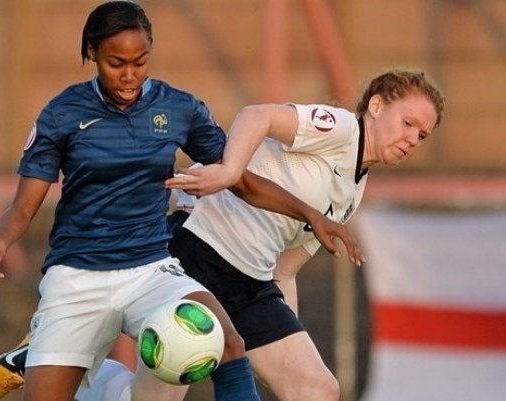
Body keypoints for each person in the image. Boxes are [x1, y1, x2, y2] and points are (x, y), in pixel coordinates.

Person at [0, 2, 363, 401]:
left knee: (226, 341)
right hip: (78, 276)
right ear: (91, 53)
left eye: (140, 62)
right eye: (115, 63)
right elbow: (23, 206)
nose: (129, 76)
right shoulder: (62, 114)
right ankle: (65, 363)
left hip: (149, 269)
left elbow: (241, 180)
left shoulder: (178, 108)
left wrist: (312, 215)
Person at [163, 68, 445, 401]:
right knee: (164, 386)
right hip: (199, 242)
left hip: (248, 278)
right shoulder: (340, 128)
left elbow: (284, 269)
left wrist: (286, 335)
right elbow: (257, 115)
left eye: (422, 135)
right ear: (377, 107)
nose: (413, 139)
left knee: (318, 390)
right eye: (408, 123)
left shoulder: (351, 194)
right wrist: (230, 171)